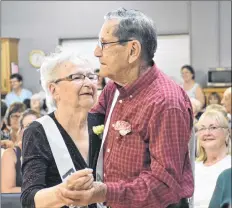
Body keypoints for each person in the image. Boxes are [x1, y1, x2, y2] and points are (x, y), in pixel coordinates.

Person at [59, 8, 194, 208]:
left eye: (103, 44)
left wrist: (104, 192)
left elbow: (164, 186)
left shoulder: (166, 103)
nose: (96, 52)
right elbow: (85, 126)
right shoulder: (113, 89)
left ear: (132, 50)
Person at [21, 49, 103, 208]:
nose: (88, 83)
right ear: (53, 90)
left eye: (92, 76)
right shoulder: (38, 132)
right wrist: (63, 193)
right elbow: (29, 199)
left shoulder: (101, 121)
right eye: (77, 77)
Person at [194, 110, 231, 208]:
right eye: (202, 128)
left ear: (227, 133)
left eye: (213, 127)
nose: (207, 133)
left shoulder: (229, 166)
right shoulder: (192, 168)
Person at [1, 109, 40, 193]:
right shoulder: (11, 155)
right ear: (21, 131)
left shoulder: (49, 153)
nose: (32, 130)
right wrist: (40, 192)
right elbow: (7, 190)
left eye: (36, 126)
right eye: (27, 126)